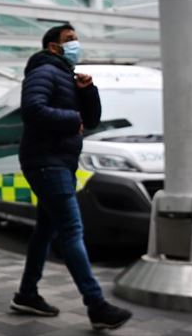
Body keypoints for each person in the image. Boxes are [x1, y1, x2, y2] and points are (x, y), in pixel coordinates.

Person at [10, 24, 132, 331]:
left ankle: (26, 294)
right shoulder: (43, 71)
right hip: (46, 161)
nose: (76, 43)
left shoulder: (67, 77)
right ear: (53, 47)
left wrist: (87, 90)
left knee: (45, 231)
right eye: (69, 40)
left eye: (77, 38)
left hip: (58, 161)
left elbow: (91, 120)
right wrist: (71, 118)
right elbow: (32, 109)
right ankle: (96, 304)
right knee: (72, 229)